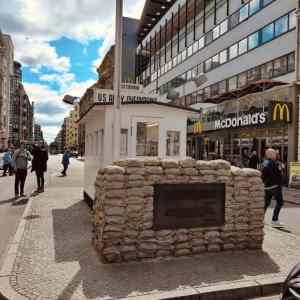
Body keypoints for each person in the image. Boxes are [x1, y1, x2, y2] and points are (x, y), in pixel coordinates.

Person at [262, 148, 284, 227]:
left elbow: (263, 175)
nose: (276, 155)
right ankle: (274, 220)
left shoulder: (264, 162)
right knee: (280, 202)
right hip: (274, 186)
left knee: (266, 203)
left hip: (267, 187)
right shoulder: (272, 163)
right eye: (275, 153)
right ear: (271, 155)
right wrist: (278, 181)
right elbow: (275, 174)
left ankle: (261, 219)